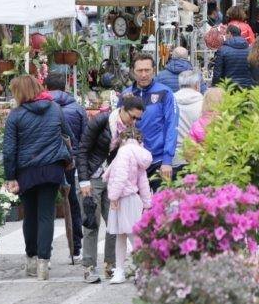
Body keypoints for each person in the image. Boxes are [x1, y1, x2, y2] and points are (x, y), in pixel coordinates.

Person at [3, 75, 74, 281]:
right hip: (52, 169)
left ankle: (32, 259)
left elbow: (9, 150)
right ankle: (44, 262)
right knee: (46, 215)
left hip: (27, 171)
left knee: (30, 216)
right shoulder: (55, 109)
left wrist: (10, 177)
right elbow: (68, 135)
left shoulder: (15, 115)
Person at [78, 96, 145, 283]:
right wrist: (84, 180)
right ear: (122, 109)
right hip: (92, 175)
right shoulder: (101, 120)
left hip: (113, 178)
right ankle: (89, 267)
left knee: (115, 224)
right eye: (132, 117)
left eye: (138, 119)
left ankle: (111, 265)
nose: (134, 122)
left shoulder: (131, 130)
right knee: (92, 222)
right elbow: (82, 149)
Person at [121, 54, 179, 190]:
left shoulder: (165, 93)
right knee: (136, 208)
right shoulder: (126, 95)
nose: (143, 74)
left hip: (158, 161)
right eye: (139, 71)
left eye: (147, 70)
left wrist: (167, 160)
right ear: (133, 72)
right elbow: (119, 126)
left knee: (161, 207)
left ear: (154, 70)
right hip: (134, 161)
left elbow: (172, 126)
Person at [102, 126, 152, 285]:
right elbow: (143, 181)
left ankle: (121, 271)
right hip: (132, 199)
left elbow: (120, 176)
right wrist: (147, 203)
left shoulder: (123, 152)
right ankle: (140, 270)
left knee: (123, 237)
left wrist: (113, 196)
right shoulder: (137, 154)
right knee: (133, 237)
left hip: (123, 199)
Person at [44, 73, 86, 261]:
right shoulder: (77, 109)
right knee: (73, 204)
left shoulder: (40, 107)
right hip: (69, 161)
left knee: (46, 206)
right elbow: (85, 137)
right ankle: (76, 248)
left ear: (45, 87)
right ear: (65, 87)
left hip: (46, 162)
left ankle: (45, 251)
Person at [172, 70, 203, 173]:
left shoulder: (170, 102)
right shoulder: (203, 103)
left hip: (174, 156)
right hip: (196, 156)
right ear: (197, 85)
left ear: (179, 84)